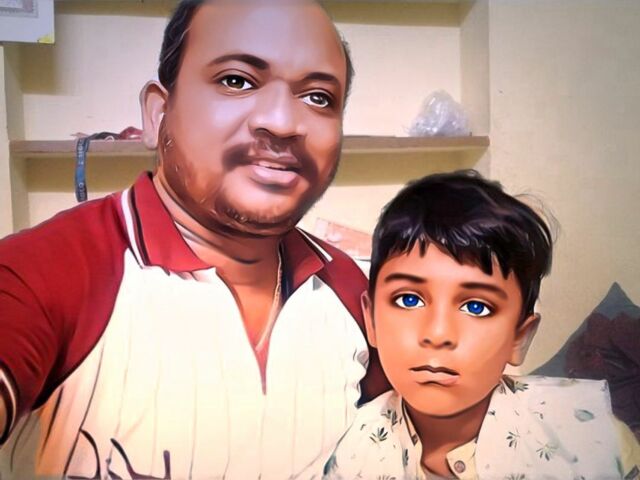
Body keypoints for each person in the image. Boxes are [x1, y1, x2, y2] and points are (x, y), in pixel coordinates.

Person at [0, 1, 388, 478]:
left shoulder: (350, 289)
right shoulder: (52, 272)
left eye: (319, 97)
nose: (283, 122)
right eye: (237, 80)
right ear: (158, 113)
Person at [323, 170, 640, 479]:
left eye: (476, 307)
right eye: (409, 300)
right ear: (372, 321)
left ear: (519, 338)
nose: (438, 333)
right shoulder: (353, 457)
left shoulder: (593, 440)